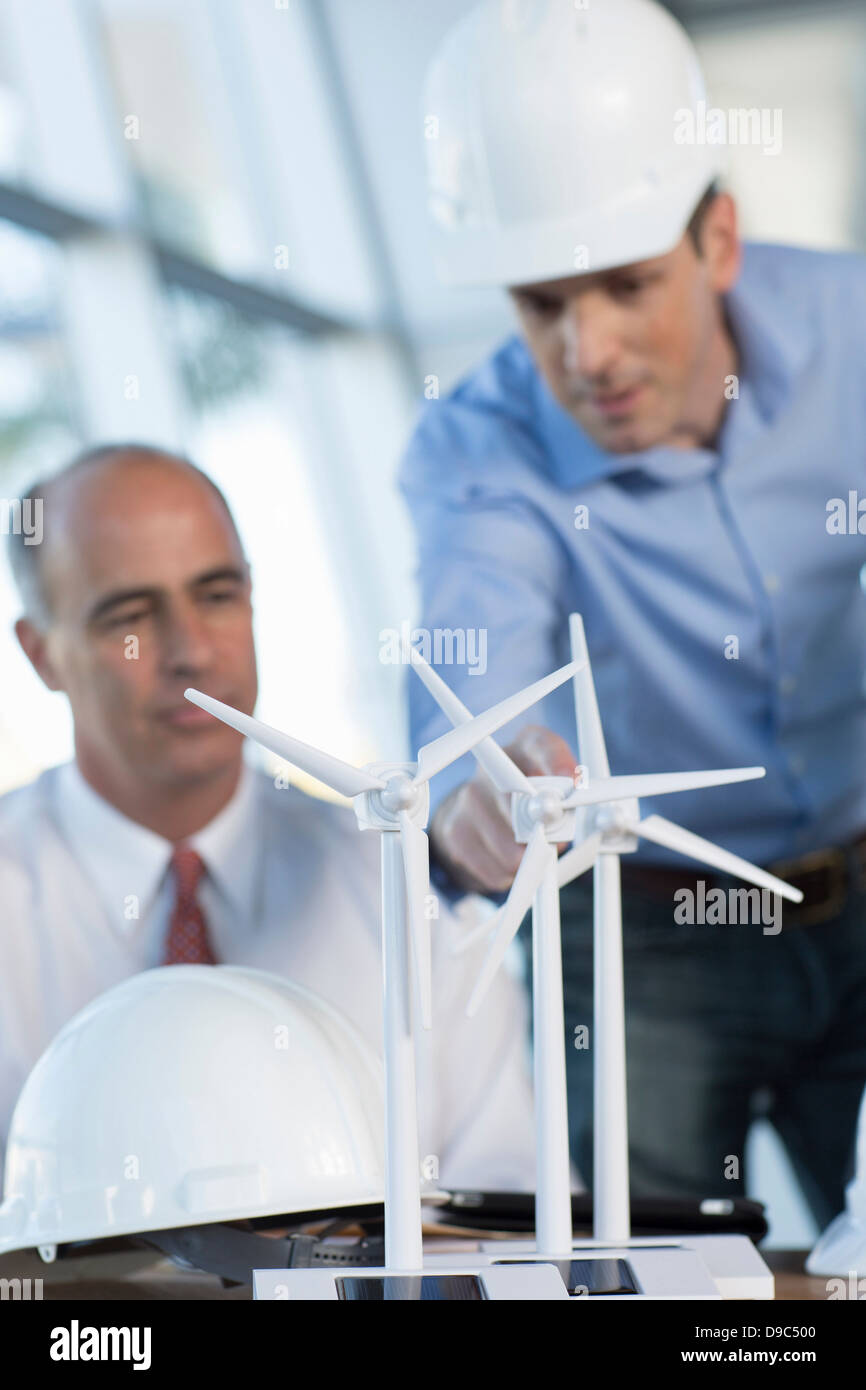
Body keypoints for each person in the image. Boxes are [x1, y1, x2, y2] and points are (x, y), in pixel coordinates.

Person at [401, 0, 866, 1228]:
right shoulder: (476, 449)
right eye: (540, 301)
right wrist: (478, 785)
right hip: (638, 934)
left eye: (625, 285)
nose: (587, 350)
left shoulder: (854, 332)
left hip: (863, 874)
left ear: (717, 239)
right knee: (639, 1273)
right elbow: (469, 647)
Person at [0, 442, 537, 1195]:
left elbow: (509, 1196)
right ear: (41, 655)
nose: (190, 652)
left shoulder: (403, 888)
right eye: (129, 616)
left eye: (217, 595)